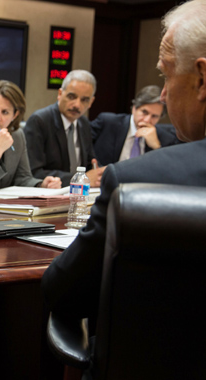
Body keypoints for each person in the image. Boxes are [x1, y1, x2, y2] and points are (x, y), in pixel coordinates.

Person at [42, 0, 206, 322]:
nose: (162, 95)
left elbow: (60, 291)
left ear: (202, 79)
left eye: (166, 75)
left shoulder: (133, 181)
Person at [24, 70, 105, 187]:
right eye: (72, 97)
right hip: (50, 194)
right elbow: (34, 172)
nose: (77, 105)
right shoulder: (39, 121)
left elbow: (90, 163)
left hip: (78, 194)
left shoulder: (84, 123)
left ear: (91, 102)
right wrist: (81, 179)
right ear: (60, 94)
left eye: (84, 100)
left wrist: (101, 172)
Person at [91, 85, 180, 165]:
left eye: (154, 116)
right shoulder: (108, 122)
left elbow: (168, 170)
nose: (147, 120)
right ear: (134, 108)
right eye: (144, 112)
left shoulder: (165, 138)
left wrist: (156, 146)